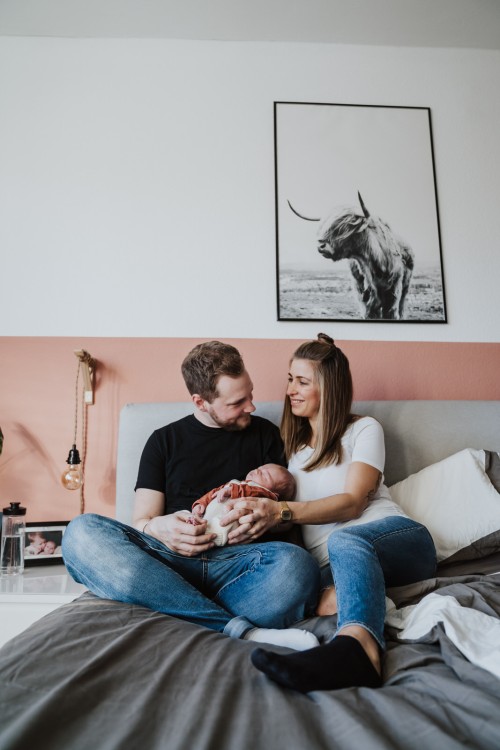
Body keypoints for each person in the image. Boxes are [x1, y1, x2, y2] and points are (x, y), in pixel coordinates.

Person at [62, 341, 321, 652]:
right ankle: (240, 630)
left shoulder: (266, 434)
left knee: (297, 566)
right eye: (238, 402)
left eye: (250, 394)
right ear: (201, 402)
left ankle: (175, 610)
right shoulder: (162, 442)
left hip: (239, 567)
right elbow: (141, 521)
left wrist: (265, 519)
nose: (251, 406)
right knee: (80, 533)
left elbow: (283, 516)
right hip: (169, 564)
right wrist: (160, 528)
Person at [245, 333, 437, 692]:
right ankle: (353, 623)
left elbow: (353, 503)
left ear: (329, 388)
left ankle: (361, 653)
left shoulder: (363, 430)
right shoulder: (292, 452)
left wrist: (281, 511)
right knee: (322, 600)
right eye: (290, 379)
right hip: (332, 563)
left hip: (397, 539)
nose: (290, 390)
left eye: (302, 381)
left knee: (345, 539)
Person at [189, 463, 296, 546]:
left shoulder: (265, 495)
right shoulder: (236, 483)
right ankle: (196, 523)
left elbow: (252, 491)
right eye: (261, 467)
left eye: (265, 475)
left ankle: (206, 534)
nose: (258, 471)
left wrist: (234, 490)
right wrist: (201, 503)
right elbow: (214, 492)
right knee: (196, 518)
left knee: (225, 525)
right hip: (209, 514)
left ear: (274, 494)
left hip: (228, 523)